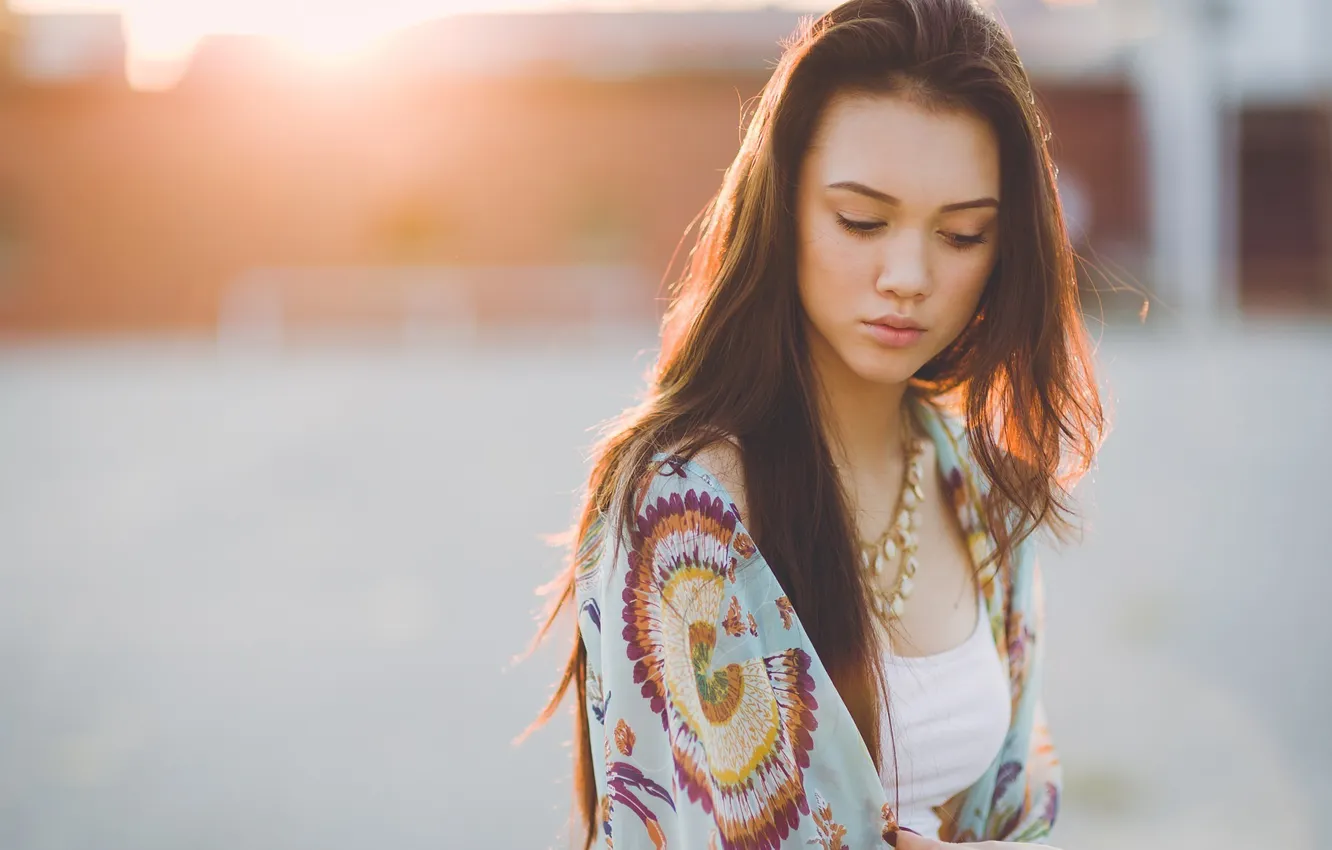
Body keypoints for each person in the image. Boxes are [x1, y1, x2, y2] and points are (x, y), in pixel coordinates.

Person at [523, 0, 1105, 846]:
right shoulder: (687, 509)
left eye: (962, 233)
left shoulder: (979, 488)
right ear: (783, 205)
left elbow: (1018, 812)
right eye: (861, 220)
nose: (908, 275)